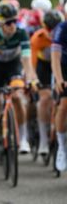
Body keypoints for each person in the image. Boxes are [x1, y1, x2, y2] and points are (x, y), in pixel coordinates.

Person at [0, 3, 38, 156]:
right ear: (0, 22)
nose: (12, 25)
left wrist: (32, 79)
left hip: (14, 66)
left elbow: (26, 62)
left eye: (15, 21)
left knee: (18, 98)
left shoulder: (21, 33)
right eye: (8, 22)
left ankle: (23, 138)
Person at [30, 10, 64, 155]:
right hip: (42, 67)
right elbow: (31, 62)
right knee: (45, 98)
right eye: (49, 28)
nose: (52, 31)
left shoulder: (63, 33)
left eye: (55, 27)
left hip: (60, 66)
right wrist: (33, 80)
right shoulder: (38, 38)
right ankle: (44, 140)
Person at [51, 16, 67, 171]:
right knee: (63, 105)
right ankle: (62, 146)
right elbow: (55, 58)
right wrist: (59, 79)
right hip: (63, 69)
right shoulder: (62, 28)